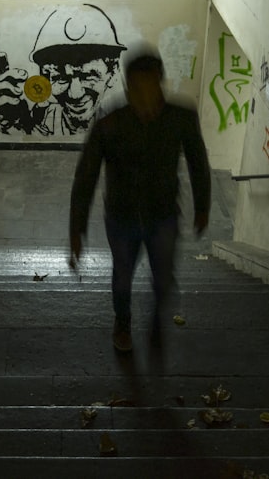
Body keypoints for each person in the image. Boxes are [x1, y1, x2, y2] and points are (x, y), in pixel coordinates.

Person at [69, 51, 211, 353]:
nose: (142, 95)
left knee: (163, 279)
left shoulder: (181, 117)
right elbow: (86, 177)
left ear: (161, 84)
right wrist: (76, 230)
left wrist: (203, 207)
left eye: (148, 86)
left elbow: (198, 162)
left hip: (163, 216)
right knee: (122, 278)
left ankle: (157, 320)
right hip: (121, 218)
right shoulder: (109, 122)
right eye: (135, 87)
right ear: (126, 86)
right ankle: (122, 321)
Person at [0, 4, 126, 136]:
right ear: (46, 79)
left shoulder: (125, 125)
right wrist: (16, 126)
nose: (75, 94)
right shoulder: (39, 121)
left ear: (113, 73)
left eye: (88, 75)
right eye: (60, 77)